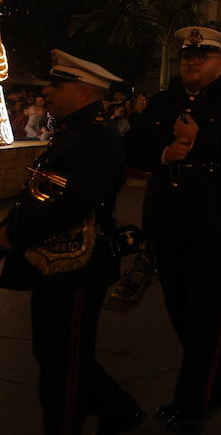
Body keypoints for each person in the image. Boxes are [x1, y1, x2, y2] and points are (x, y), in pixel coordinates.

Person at [123, 26, 221, 432]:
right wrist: (164, 152)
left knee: (209, 311)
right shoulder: (163, 102)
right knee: (180, 307)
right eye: (188, 55)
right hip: (169, 218)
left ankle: (193, 399)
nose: (193, 61)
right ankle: (208, 384)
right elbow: (133, 148)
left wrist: (200, 142)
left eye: (202, 55)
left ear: (220, 63)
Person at [0, 51, 143, 435]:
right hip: (52, 262)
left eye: (57, 85)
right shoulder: (74, 131)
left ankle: (84, 420)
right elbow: (39, 192)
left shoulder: (96, 135)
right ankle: (117, 409)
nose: (48, 91)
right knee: (52, 354)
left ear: (82, 91)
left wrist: (13, 235)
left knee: (67, 363)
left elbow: (74, 203)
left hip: (77, 265)